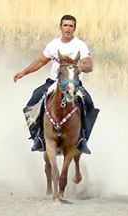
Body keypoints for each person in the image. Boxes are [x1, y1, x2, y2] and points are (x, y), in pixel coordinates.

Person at [13, 14, 98, 154]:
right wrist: (23, 72)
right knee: (32, 102)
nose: (68, 28)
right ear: (61, 27)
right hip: (54, 83)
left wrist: (79, 68)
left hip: (73, 84)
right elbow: (41, 61)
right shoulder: (53, 45)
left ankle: (82, 140)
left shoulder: (80, 45)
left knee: (89, 103)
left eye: (71, 26)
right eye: (65, 25)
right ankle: (37, 138)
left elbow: (89, 65)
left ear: (74, 28)